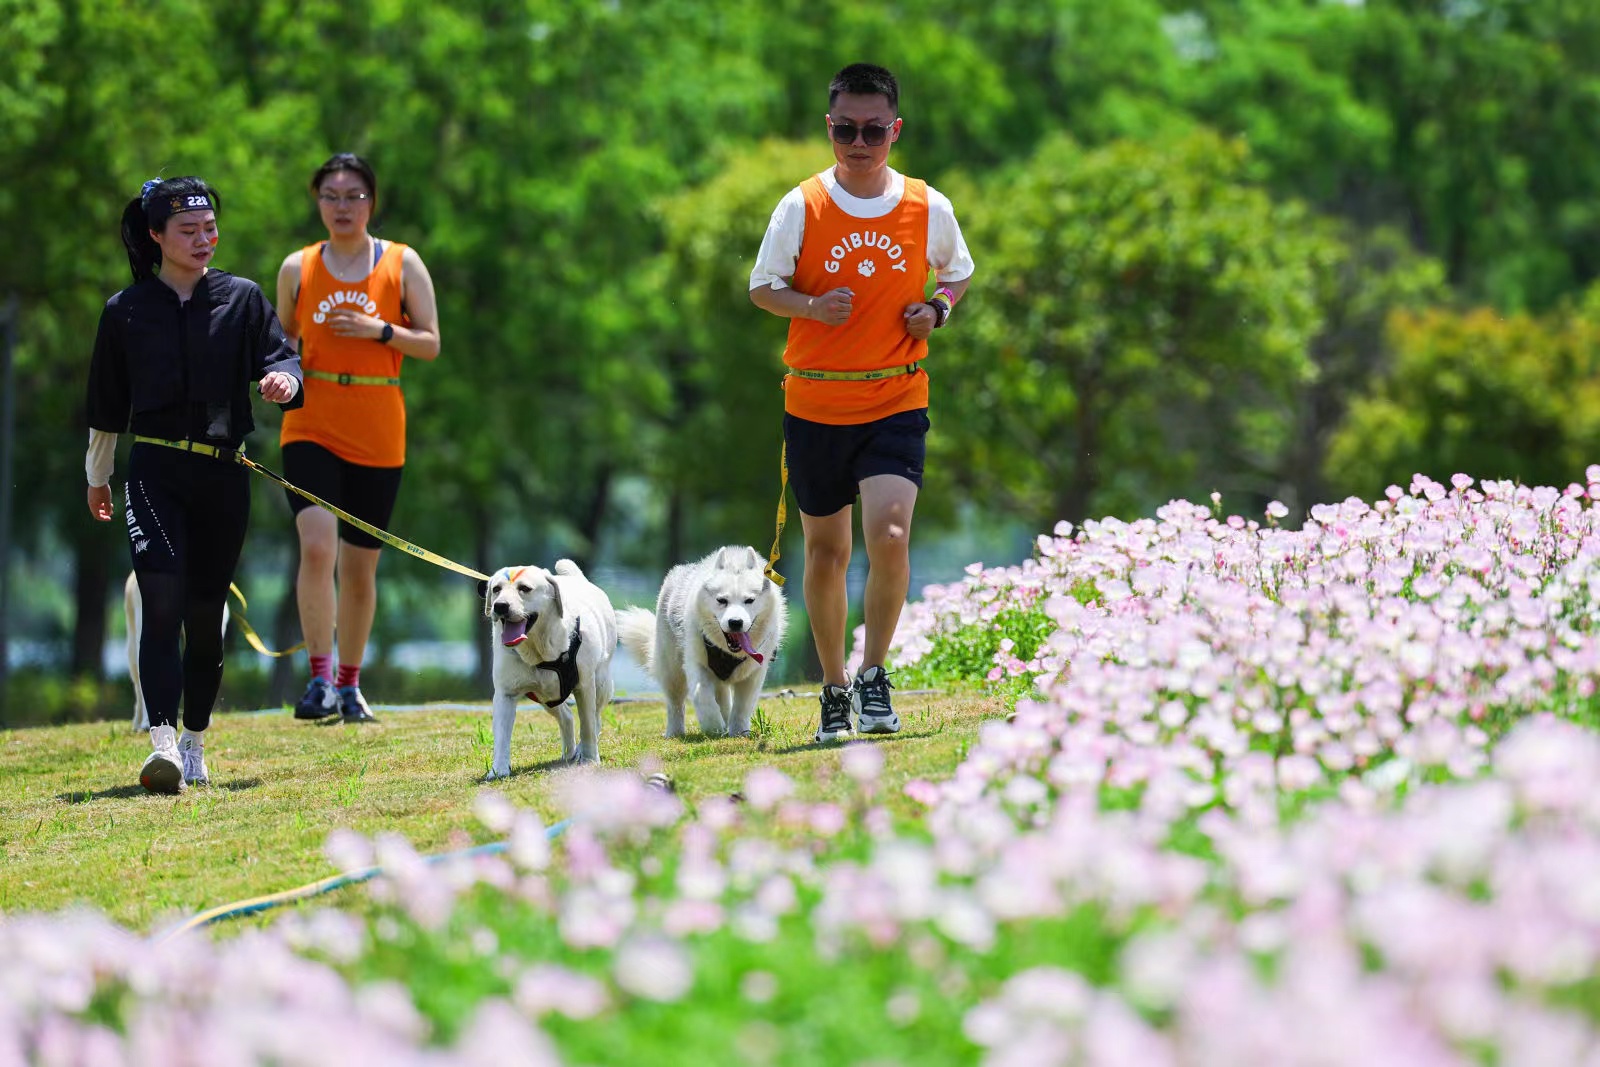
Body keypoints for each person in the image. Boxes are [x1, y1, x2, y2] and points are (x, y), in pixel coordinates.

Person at [749, 63, 975, 743]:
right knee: (826, 554)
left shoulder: (926, 205)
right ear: (829, 127)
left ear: (894, 130)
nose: (859, 141)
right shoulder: (802, 206)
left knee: (893, 534)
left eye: (873, 129)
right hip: (817, 404)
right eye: (845, 128)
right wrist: (812, 306)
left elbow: (957, 274)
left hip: (896, 396)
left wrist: (936, 310)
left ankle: (876, 676)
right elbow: (764, 288)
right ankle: (835, 686)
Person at [86, 175, 304, 793]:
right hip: (154, 472)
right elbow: (105, 406)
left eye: (210, 228)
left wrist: (284, 381)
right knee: (161, 604)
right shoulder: (125, 312)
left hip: (223, 475)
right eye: (188, 231)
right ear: (156, 236)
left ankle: (195, 744)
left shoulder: (243, 299)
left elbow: (280, 357)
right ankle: (159, 743)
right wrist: (98, 476)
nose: (203, 239)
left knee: (206, 618)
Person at [275, 153, 440, 724]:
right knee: (317, 546)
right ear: (317, 202)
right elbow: (283, 344)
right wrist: (277, 376)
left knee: (360, 564)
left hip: (378, 422)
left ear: (372, 201)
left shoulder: (401, 263)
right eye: (330, 196)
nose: (342, 207)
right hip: (311, 421)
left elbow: (431, 343)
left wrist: (381, 330)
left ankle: (350, 685)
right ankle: (318, 680)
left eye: (353, 196)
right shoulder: (298, 268)